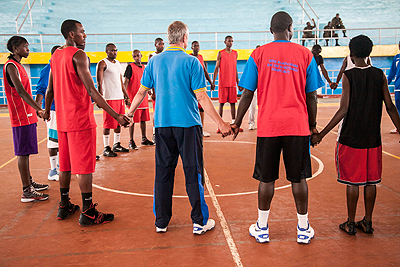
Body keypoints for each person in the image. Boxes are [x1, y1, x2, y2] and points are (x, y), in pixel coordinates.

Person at [126, 21, 232, 234]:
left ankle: (161, 222)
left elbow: (141, 93)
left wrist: (129, 114)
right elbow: (201, 96)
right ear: (184, 39)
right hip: (188, 126)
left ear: (168, 38)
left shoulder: (154, 62)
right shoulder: (192, 62)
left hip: (163, 126)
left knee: (163, 173)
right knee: (193, 173)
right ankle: (199, 221)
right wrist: (221, 123)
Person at [232, 11, 324, 244]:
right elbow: (311, 96)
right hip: (297, 127)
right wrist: (312, 126)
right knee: (299, 178)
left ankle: (262, 227)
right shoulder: (305, 55)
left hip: (269, 127)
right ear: (290, 28)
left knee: (266, 179)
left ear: (271, 29)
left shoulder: (259, 54)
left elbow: (246, 94)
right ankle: (303, 229)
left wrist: (237, 122)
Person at [311, 35, 400, 235]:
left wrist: (321, 134)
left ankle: (350, 223)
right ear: (370, 52)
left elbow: (343, 109)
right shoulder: (380, 75)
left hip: (351, 137)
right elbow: (391, 107)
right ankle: (367, 222)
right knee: (371, 180)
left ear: (351, 53)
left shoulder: (348, 76)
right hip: (372, 138)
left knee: (352, 181)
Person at [43, 19, 130, 226]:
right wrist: (116, 115)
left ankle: (64, 206)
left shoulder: (55, 56)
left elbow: (50, 90)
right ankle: (88, 212)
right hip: (80, 120)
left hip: (62, 120)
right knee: (83, 168)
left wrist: (47, 112)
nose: (85, 35)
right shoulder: (79, 55)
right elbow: (92, 91)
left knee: (64, 165)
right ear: (71, 34)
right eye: (82, 31)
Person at [4, 36, 50, 202]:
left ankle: (29, 182)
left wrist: (35, 110)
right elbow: (21, 92)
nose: (28, 49)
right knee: (22, 153)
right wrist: (40, 108)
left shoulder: (18, 65)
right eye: (25, 46)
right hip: (20, 116)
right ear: (15, 49)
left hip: (27, 115)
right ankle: (26, 191)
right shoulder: (11, 66)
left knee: (27, 152)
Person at [96, 43, 130, 157]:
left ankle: (116, 144)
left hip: (119, 97)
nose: (114, 52)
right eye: (112, 50)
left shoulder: (118, 64)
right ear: (106, 51)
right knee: (107, 124)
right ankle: (106, 147)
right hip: (108, 98)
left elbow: (120, 81)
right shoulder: (103, 63)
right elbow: (99, 82)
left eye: (115, 50)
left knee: (118, 122)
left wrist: (126, 96)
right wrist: (100, 97)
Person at [35, 45, 61, 181]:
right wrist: (39, 108)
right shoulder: (48, 69)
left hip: (62, 108)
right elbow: (41, 89)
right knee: (53, 141)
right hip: (52, 110)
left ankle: (60, 165)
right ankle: (52, 170)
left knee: (61, 140)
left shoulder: (59, 67)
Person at [123, 49, 154, 149]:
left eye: (138, 56)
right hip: (133, 98)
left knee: (143, 120)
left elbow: (146, 83)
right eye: (134, 56)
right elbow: (126, 82)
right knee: (132, 120)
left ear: (141, 56)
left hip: (143, 98)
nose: (136, 58)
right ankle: (131, 141)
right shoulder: (130, 67)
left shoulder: (144, 68)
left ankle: (144, 138)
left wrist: (149, 92)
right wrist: (126, 96)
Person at [212, 35, 243, 132]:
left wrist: (238, 83)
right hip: (223, 83)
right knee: (221, 104)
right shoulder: (220, 53)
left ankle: (234, 124)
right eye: (229, 41)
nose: (230, 43)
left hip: (232, 83)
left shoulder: (235, 53)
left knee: (233, 103)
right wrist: (213, 83)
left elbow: (235, 69)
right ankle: (219, 126)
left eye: (232, 41)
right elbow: (216, 68)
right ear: (225, 42)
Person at [190, 40, 215, 137]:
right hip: (192, 87)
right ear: (191, 47)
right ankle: (193, 129)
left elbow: (204, 70)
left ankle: (202, 129)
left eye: (198, 46)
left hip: (201, 86)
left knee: (201, 108)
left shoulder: (200, 57)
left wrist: (211, 82)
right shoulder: (189, 57)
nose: (196, 47)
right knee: (193, 107)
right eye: (194, 46)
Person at [148, 37, 164, 142]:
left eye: (163, 44)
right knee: (156, 112)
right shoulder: (152, 57)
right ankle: (154, 134)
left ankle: (162, 133)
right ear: (155, 45)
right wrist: (153, 91)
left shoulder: (165, 55)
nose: (162, 46)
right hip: (156, 89)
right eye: (159, 44)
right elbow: (151, 75)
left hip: (164, 88)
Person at [387, 41, 400, 134]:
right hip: (398, 87)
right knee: (398, 107)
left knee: (398, 107)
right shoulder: (397, 58)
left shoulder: (397, 58)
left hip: (398, 87)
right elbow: (392, 73)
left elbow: (392, 73)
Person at [248, 45, 260, 130]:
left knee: (263, 106)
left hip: (263, 86)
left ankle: (261, 123)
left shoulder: (266, 60)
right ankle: (251, 123)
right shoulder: (252, 60)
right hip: (254, 86)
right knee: (252, 105)